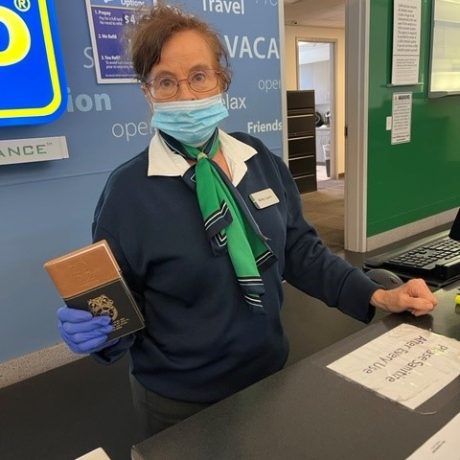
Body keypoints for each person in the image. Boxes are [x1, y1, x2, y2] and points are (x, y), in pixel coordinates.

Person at [57, 2, 437, 438]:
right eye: (166, 82)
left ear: (222, 79)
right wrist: (101, 332)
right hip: (179, 401)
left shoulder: (258, 160)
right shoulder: (127, 194)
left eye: (199, 76)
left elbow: (300, 251)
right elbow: (122, 310)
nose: (186, 95)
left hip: (271, 374)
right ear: (148, 93)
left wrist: (376, 296)